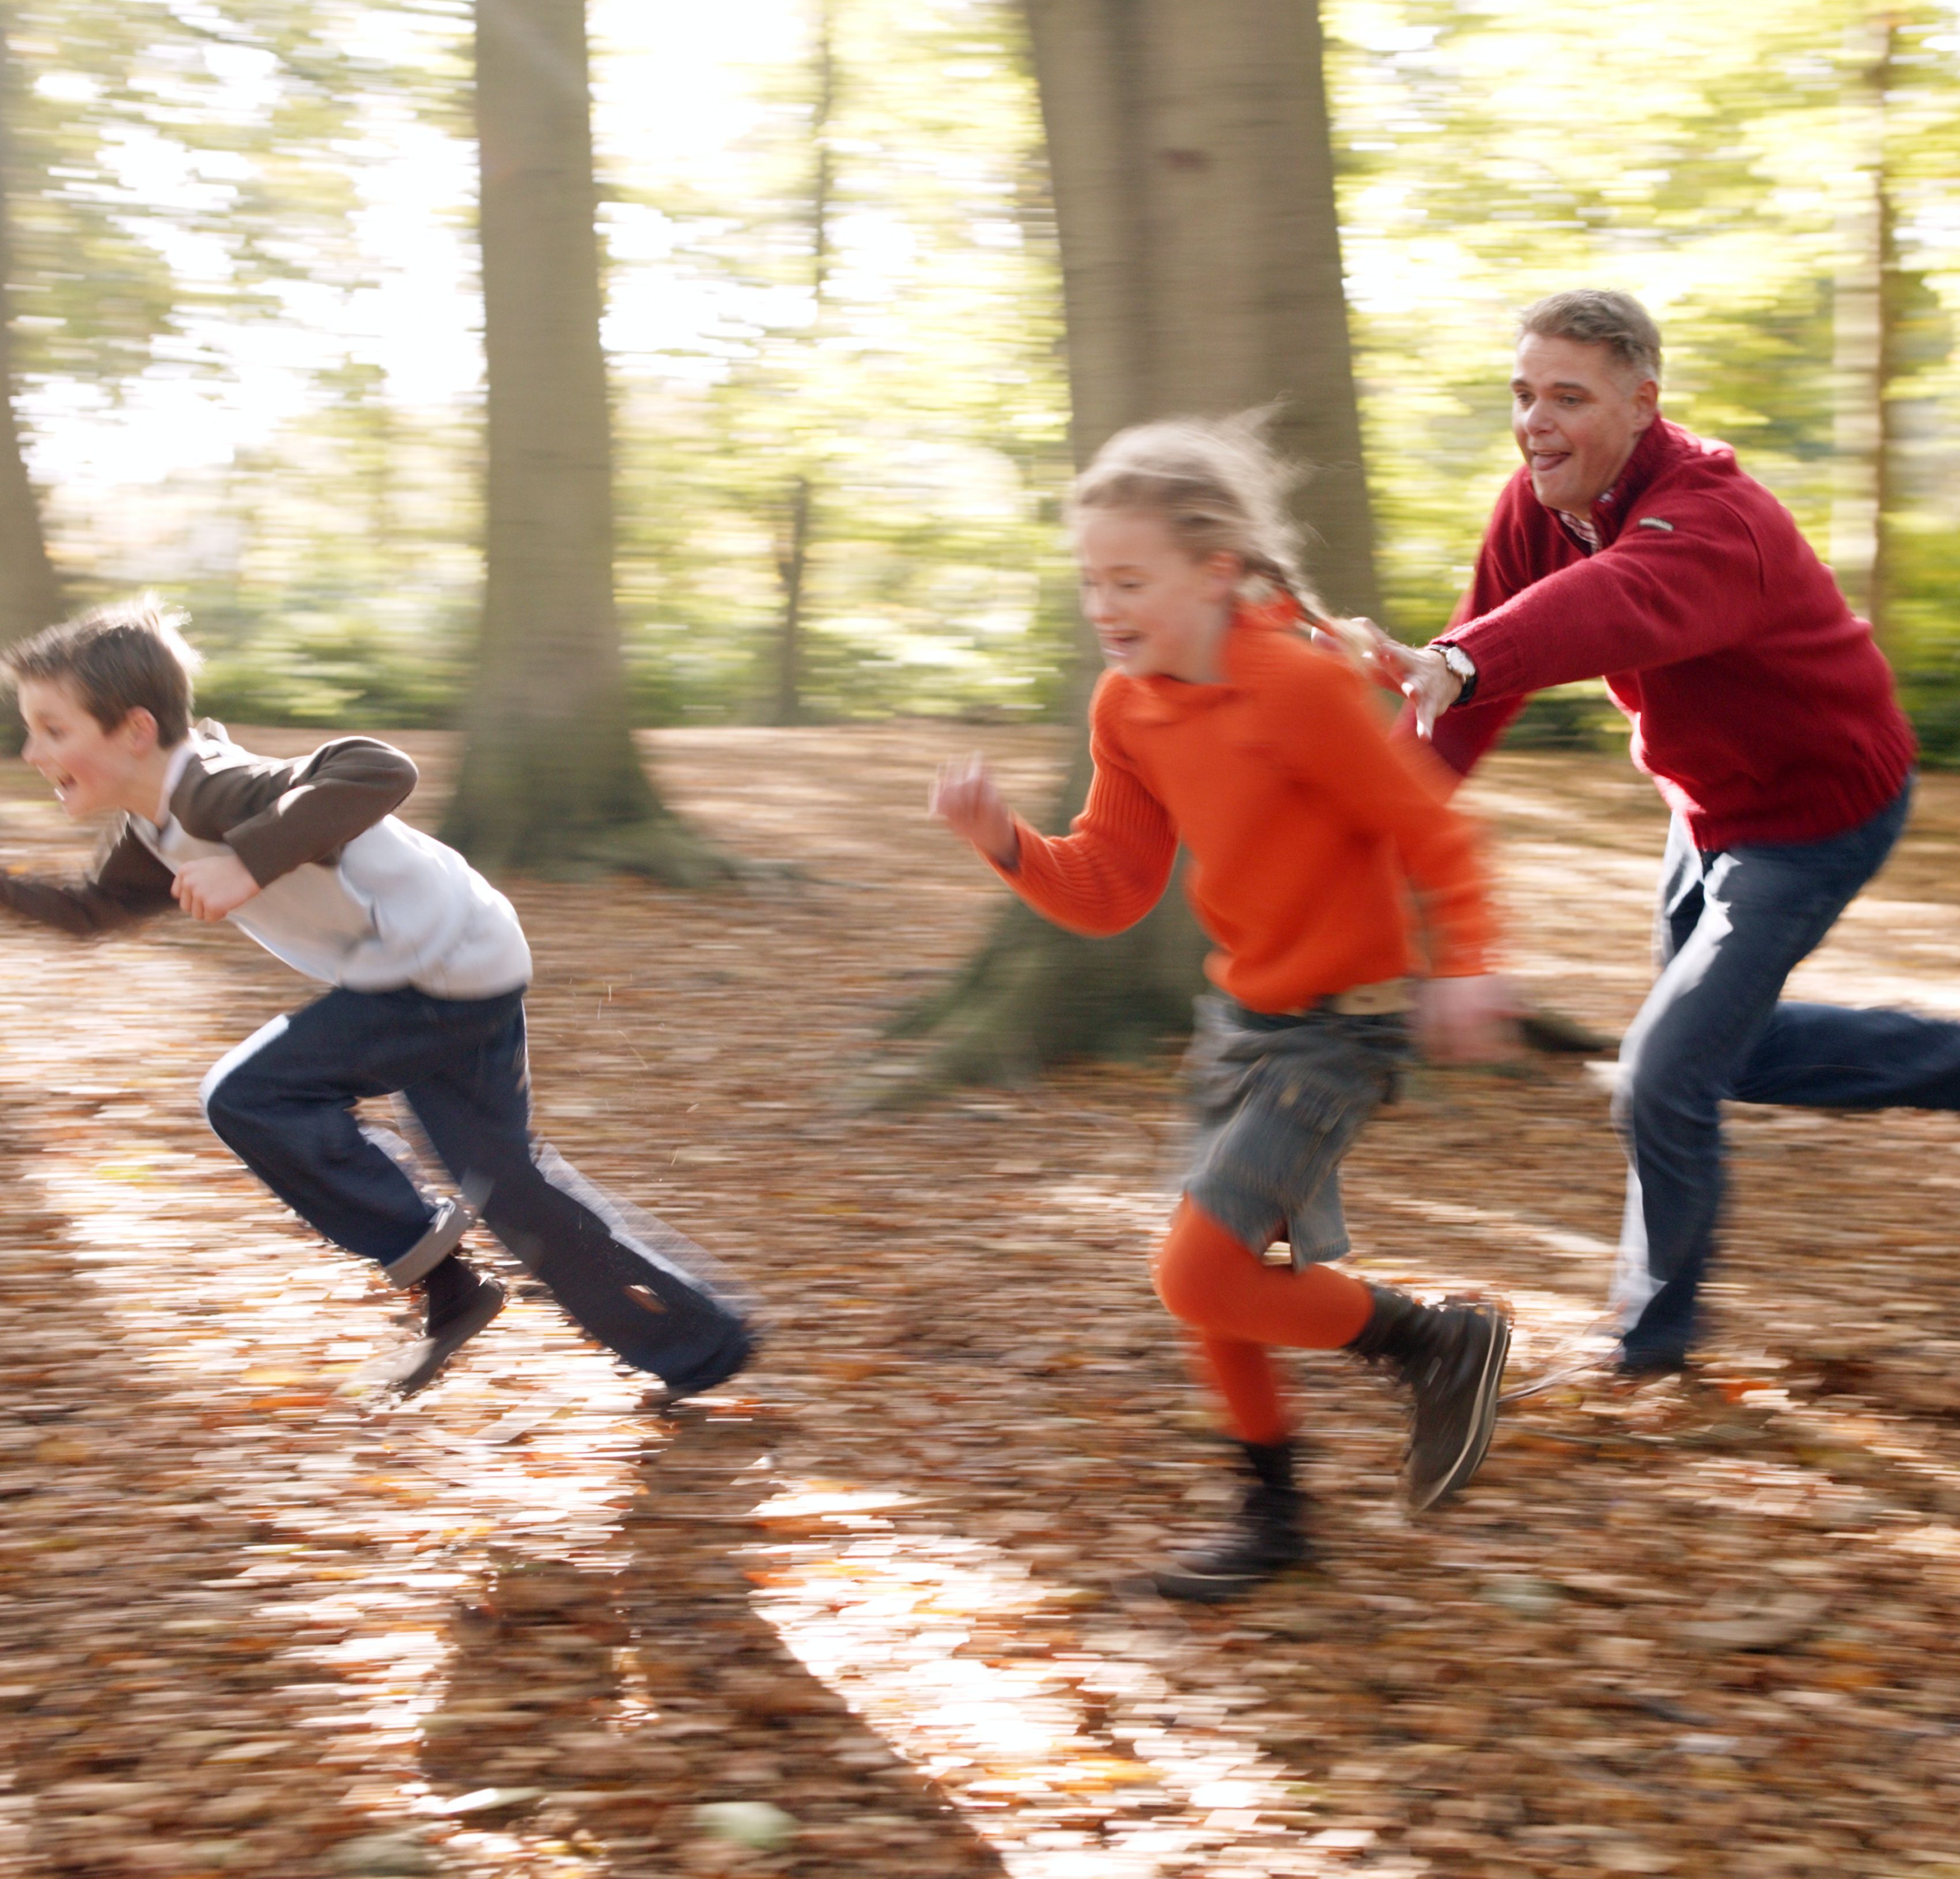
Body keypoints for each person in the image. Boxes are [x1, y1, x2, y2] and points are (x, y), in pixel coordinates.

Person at [930, 414, 1515, 1603]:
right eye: (1092, 579)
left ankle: (1434, 1339)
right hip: (1239, 1022)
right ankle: (1277, 1515)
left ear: (1214, 571)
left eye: (1129, 578)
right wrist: (1007, 845)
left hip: (1341, 1027)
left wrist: (1467, 958)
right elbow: (1110, 887)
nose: (1105, 602)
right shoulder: (1129, 706)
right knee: (1222, 1284)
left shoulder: (1294, 684)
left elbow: (1429, 830)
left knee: (1195, 1272)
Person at [1380, 288, 1960, 1380]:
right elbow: (1469, 702)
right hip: (1705, 809)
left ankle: (1651, 1347)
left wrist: (1460, 658)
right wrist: (1374, 826)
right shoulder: (1535, 507)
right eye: (1522, 394)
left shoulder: (1712, 519)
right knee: (1711, 1058)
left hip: (1815, 814)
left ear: (1643, 403)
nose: (1534, 422)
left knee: (1662, 1072)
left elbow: (1614, 602)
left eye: (1567, 397)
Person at [0, 602, 754, 1401]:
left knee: (249, 1094)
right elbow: (92, 910)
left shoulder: (221, 788)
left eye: (53, 729)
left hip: (434, 976)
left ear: (135, 730)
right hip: (460, 963)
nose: (32, 750)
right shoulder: (152, 828)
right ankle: (700, 1344)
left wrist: (247, 866)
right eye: (30, 729)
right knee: (506, 1184)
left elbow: (376, 769)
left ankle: (442, 1274)